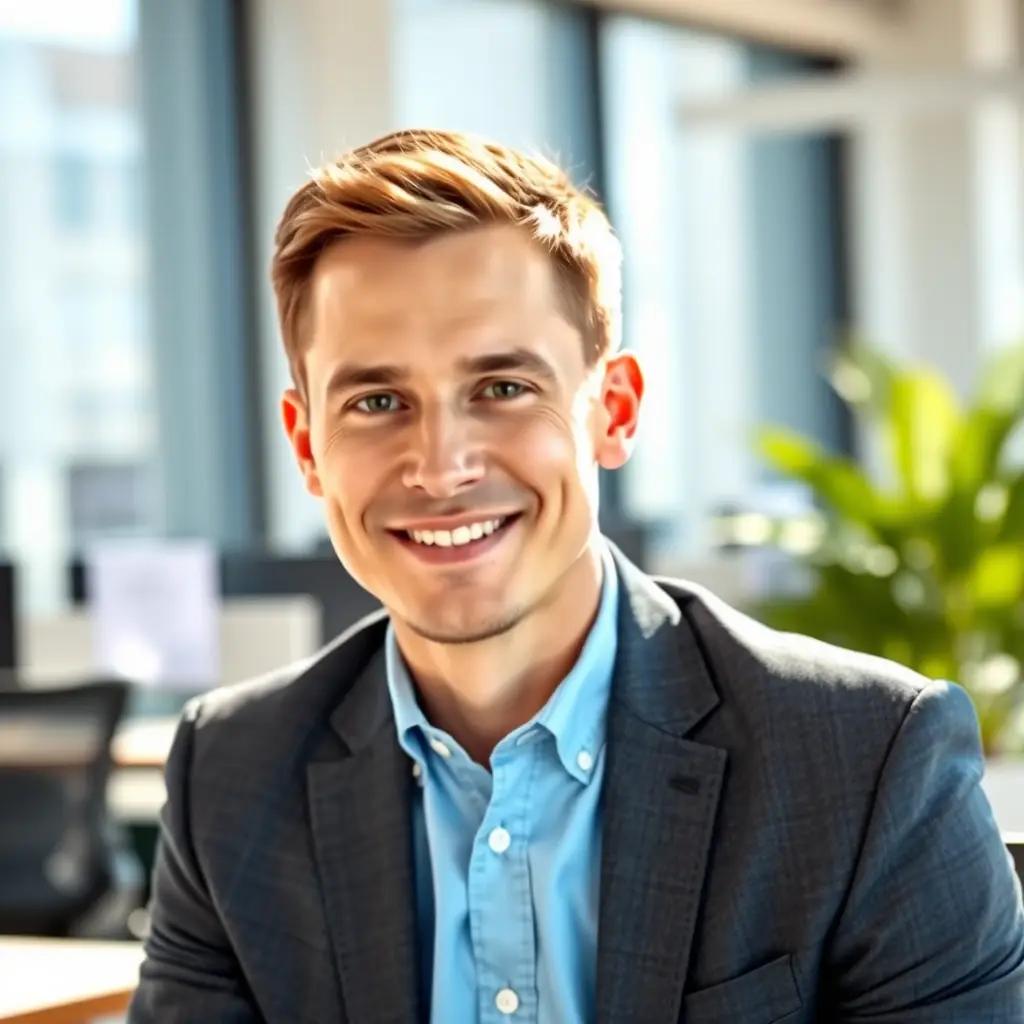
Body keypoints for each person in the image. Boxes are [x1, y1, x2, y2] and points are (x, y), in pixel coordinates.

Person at [128, 129, 1024, 1024]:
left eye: (502, 388)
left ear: (614, 410)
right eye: (376, 402)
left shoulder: (866, 764)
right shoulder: (233, 773)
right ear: (306, 445)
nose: (439, 467)